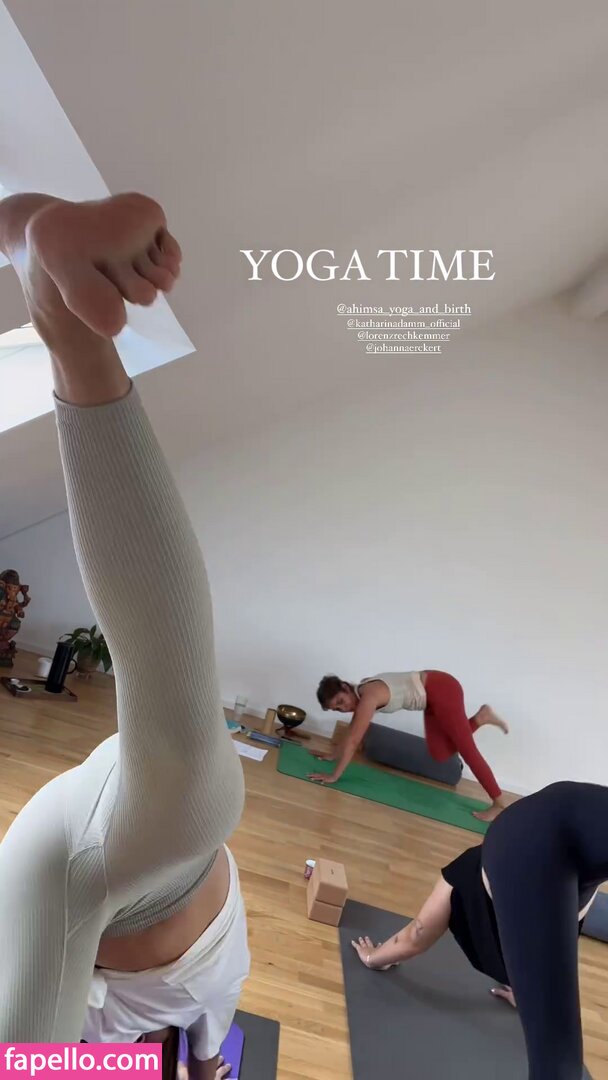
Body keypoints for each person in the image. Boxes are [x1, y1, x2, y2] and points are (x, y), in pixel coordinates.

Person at [0, 190, 250, 1078]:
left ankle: (59, 310)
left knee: (26, 1063)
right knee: (186, 771)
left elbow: (192, 1056)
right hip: (142, 846)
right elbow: (209, 1052)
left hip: (91, 869)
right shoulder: (189, 1019)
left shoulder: (137, 1027)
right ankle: (52, 297)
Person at [351, 781, 606, 1080]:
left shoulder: (550, 899)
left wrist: (375, 958)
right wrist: (373, 959)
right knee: (558, 1066)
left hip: (571, 833)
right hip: (545, 829)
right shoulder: (467, 873)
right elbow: (415, 936)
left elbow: (416, 936)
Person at [311, 670, 508, 821]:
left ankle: (499, 803)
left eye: (341, 701)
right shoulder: (361, 693)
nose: (344, 708)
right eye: (338, 709)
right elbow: (352, 729)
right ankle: (480, 718)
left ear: (345, 687)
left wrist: (334, 776)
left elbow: (355, 739)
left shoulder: (369, 696)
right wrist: (333, 755)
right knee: (439, 753)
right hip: (430, 699)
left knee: (468, 751)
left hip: (442, 688)